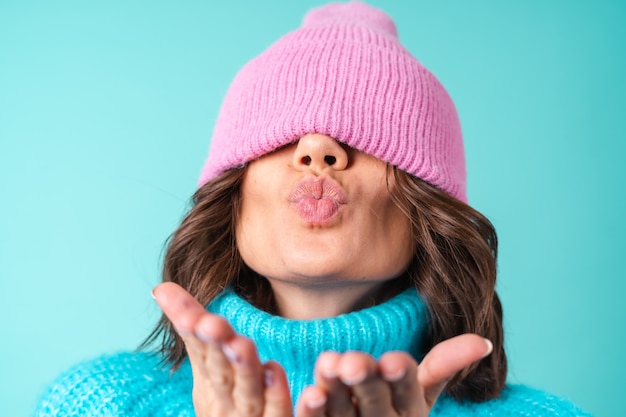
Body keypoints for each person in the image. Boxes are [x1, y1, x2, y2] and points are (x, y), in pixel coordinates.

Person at [34, 2, 591, 416]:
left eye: (369, 134)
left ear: (429, 217)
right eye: (281, 134)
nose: (318, 148)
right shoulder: (95, 403)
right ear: (232, 199)